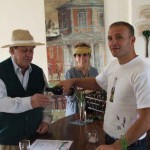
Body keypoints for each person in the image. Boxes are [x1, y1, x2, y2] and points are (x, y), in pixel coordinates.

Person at [59, 21, 150, 150]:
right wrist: (73, 81)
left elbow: (146, 120)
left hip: (129, 144)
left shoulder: (142, 71)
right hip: (110, 138)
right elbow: (97, 82)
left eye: (119, 37)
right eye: (110, 38)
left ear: (132, 40)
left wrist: (117, 146)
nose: (113, 42)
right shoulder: (113, 65)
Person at [0, 29, 51, 150]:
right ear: (12, 51)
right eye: (24, 50)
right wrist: (30, 102)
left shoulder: (38, 72)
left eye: (31, 50)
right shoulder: (1, 71)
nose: (29, 54)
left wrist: (46, 120)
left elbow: (47, 99)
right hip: (9, 142)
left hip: (35, 138)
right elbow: (1, 102)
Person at [65, 43, 98, 116]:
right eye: (79, 55)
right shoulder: (70, 73)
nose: (82, 57)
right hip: (74, 112)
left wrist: (81, 91)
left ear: (89, 56)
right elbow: (70, 98)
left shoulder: (94, 71)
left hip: (91, 110)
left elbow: (97, 91)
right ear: (75, 57)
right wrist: (87, 91)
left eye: (85, 54)